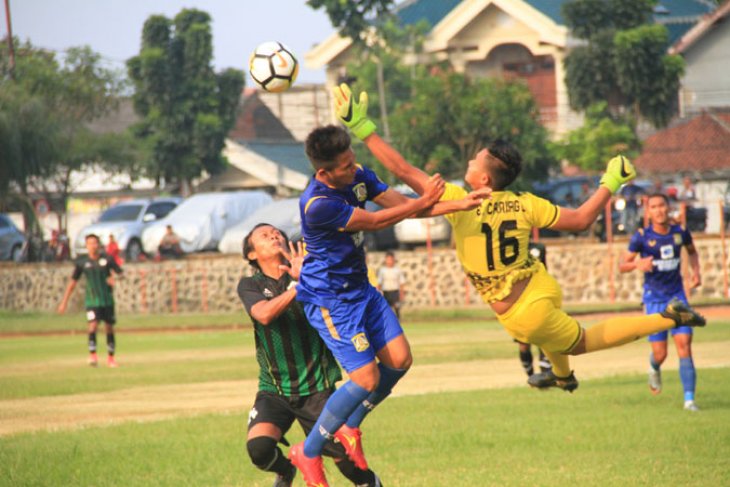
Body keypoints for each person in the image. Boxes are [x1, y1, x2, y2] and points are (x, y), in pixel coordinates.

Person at [332, 83, 706, 395]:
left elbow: (402, 169)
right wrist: (610, 181)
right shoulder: (524, 203)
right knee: (556, 331)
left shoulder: (460, 203)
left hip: (523, 313)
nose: (469, 164)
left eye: (474, 162)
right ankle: (561, 375)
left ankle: (667, 318)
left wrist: (363, 127)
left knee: (582, 342)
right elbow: (580, 220)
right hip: (540, 284)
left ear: (483, 180)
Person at [289, 124, 486, 486]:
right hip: (331, 300)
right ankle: (309, 451)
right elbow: (378, 220)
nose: (354, 168)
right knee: (366, 378)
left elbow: (401, 208)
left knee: (399, 359)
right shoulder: (317, 205)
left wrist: (458, 204)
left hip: (361, 290)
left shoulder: (359, 175)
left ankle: (350, 427)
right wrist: (423, 201)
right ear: (323, 172)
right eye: (345, 166)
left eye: (352, 160)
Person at [237, 223, 382, 487]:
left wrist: (309, 278)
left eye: (276, 232)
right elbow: (264, 314)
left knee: (350, 465)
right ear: (251, 255)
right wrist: (297, 286)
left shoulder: (313, 274)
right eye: (263, 235)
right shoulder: (250, 284)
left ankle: (371, 482)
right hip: (275, 388)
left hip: (317, 388)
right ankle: (285, 471)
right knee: (259, 450)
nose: (273, 235)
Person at [619, 193, 703, 411]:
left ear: (668, 207)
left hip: (677, 297)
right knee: (661, 353)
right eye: (653, 207)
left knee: (684, 345)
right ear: (648, 212)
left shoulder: (680, 232)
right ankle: (654, 366)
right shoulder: (641, 237)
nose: (658, 210)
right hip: (653, 299)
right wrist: (637, 264)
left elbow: (692, 253)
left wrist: (696, 272)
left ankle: (689, 400)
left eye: (661, 206)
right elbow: (622, 265)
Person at [58, 233, 123, 367]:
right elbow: (72, 282)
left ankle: (111, 358)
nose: (93, 246)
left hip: (107, 301)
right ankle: (93, 356)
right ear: (87, 246)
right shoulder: (82, 263)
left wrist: (114, 279)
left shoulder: (107, 260)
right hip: (92, 301)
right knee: (92, 326)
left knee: (109, 328)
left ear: (98, 245)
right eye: (90, 243)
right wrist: (64, 302)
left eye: (95, 243)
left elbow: (121, 273)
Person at [376, 252, 405, 319]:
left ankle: (398, 320)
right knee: (386, 308)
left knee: (396, 307)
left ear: (393, 260)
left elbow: (401, 282)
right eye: (388, 259)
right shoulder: (382, 270)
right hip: (386, 291)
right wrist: (378, 291)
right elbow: (379, 282)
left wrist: (402, 293)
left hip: (395, 291)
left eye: (391, 260)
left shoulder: (397, 270)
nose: (389, 261)